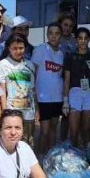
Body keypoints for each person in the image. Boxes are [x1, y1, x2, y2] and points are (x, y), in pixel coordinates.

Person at [32, 22, 65, 154]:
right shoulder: (40, 49)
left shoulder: (61, 54)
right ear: (47, 34)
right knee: (44, 131)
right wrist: (34, 96)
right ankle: (40, 157)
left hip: (57, 98)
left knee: (53, 130)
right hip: (43, 98)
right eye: (50, 33)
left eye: (57, 33)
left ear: (61, 36)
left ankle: (50, 156)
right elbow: (33, 73)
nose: (53, 36)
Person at [62, 27, 90, 148]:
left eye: (85, 38)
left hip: (89, 93)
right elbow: (67, 80)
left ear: (89, 39)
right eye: (80, 38)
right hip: (74, 92)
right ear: (76, 40)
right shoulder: (70, 57)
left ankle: (87, 154)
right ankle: (74, 155)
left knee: (86, 129)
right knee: (73, 130)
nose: (83, 41)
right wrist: (65, 101)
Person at [0, 34, 36, 144]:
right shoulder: (3, 65)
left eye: (21, 48)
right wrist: (4, 111)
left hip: (29, 113)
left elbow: (33, 90)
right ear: (9, 48)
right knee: (12, 142)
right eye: (14, 48)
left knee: (28, 143)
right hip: (12, 112)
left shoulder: (30, 65)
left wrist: (37, 110)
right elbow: (2, 91)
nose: (18, 51)